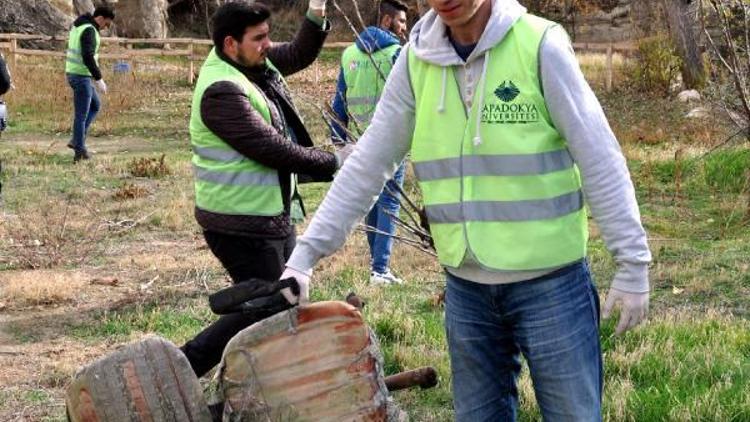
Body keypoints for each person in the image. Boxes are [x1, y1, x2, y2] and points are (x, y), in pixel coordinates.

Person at [280, 0, 652, 420]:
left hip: (552, 288)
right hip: (466, 290)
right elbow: (368, 164)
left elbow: (599, 156)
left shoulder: (539, 45)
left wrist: (632, 260)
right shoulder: (415, 62)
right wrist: (306, 255)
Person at [180, 0, 352, 379]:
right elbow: (272, 149)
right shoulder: (221, 90)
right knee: (270, 305)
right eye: (259, 38)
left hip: (270, 217)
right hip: (239, 224)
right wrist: (336, 161)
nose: (268, 45)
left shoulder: (252, 64)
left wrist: (317, 10)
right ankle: (186, 364)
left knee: (287, 299)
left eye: (268, 36)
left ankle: (270, 379)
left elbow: (300, 51)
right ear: (230, 44)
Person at [330, 0, 409, 285]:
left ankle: (376, 266)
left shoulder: (349, 53)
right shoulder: (398, 54)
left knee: (371, 201)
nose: (404, 29)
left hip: (360, 142)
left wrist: (338, 140)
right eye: (401, 22)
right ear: (386, 22)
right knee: (388, 202)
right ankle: (380, 268)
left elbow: (339, 101)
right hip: (391, 142)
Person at [65, 6, 115, 162]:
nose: (106, 27)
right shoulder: (89, 30)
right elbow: (88, 56)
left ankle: (76, 140)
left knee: (95, 105)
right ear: (100, 18)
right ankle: (79, 151)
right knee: (81, 115)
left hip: (75, 73)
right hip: (81, 76)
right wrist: (99, 79)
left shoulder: (79, 25)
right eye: (106, 24)